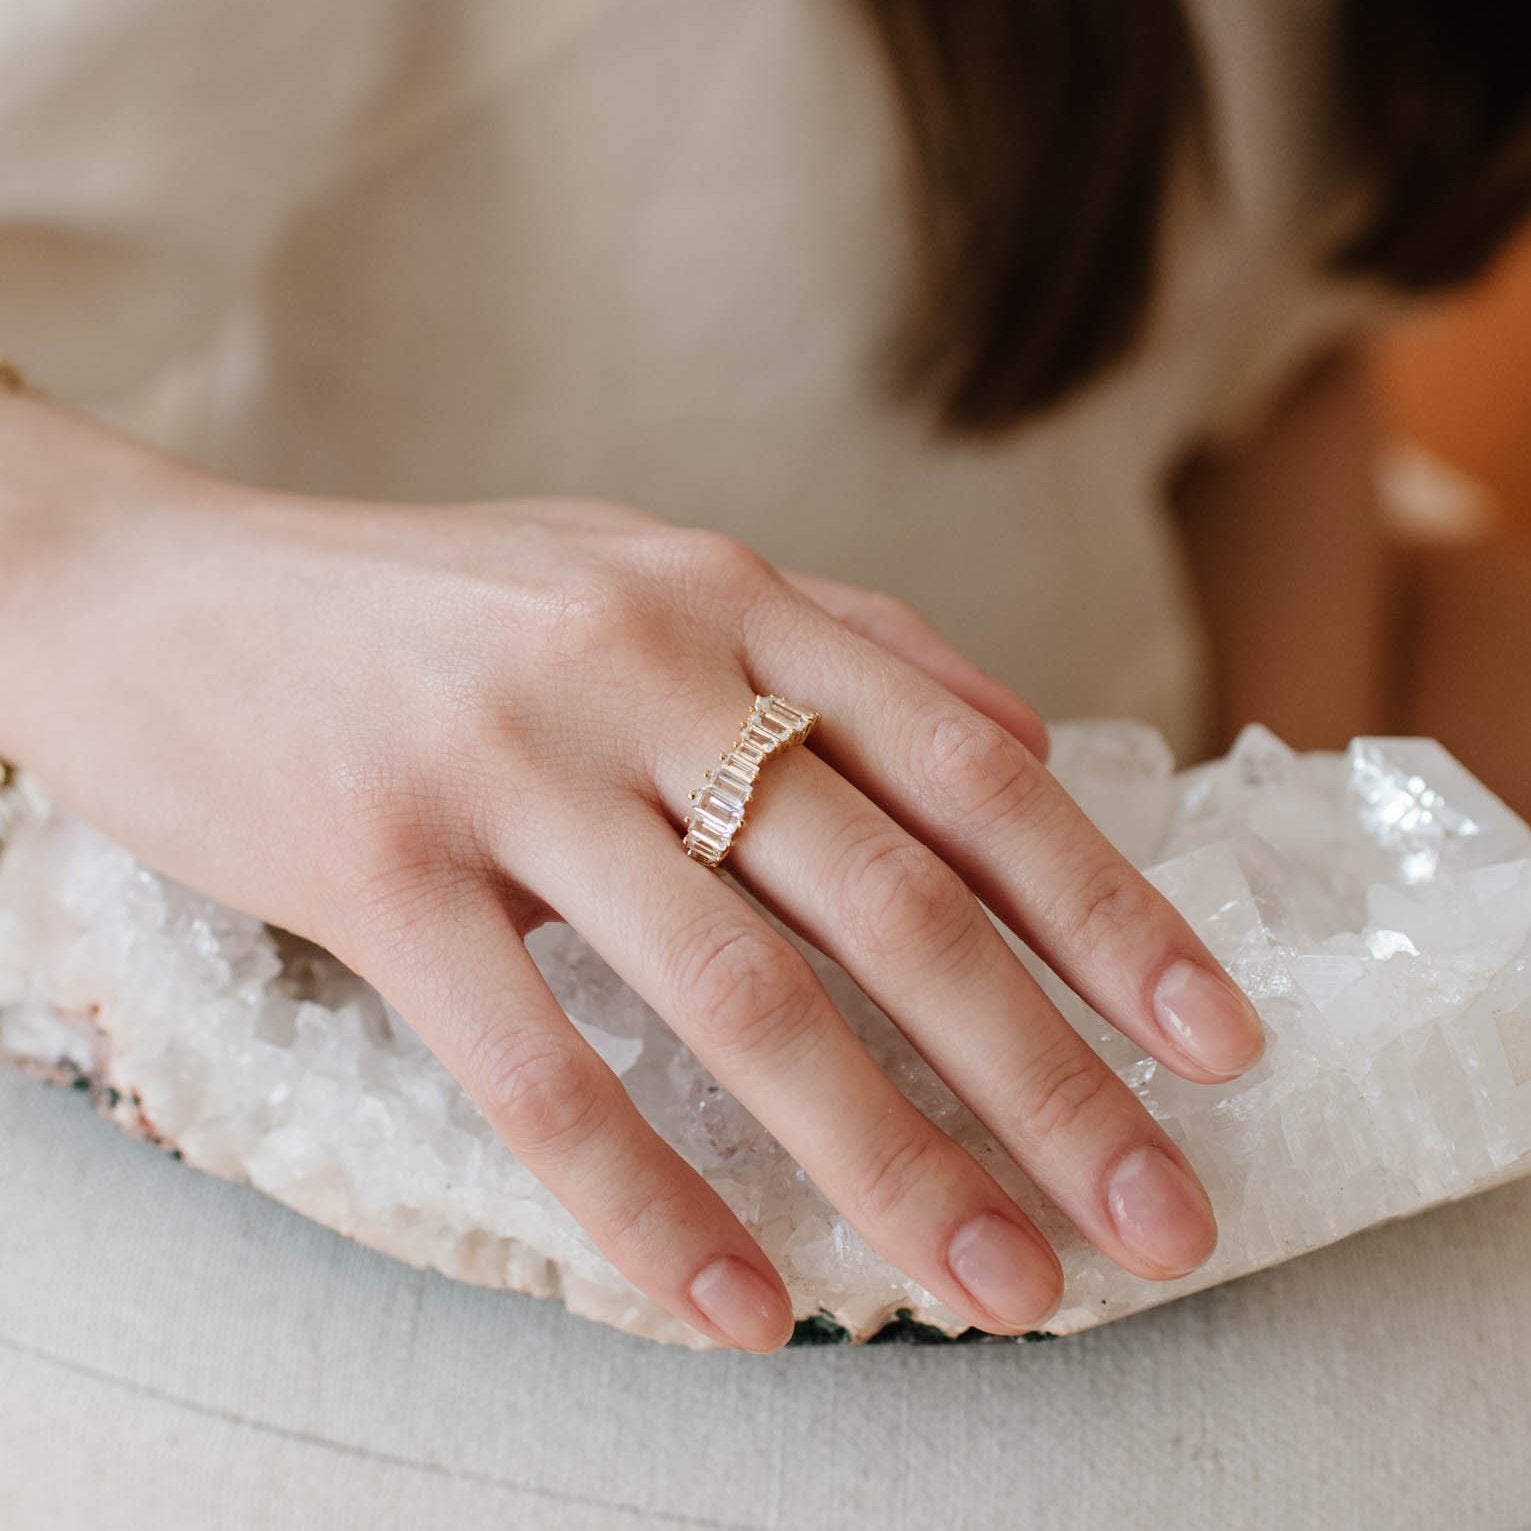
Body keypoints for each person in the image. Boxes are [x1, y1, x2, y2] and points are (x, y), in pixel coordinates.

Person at [1, 0, 1527, 1375]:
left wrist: (1296, 1053)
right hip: (350, 1172)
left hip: (1028, 1193)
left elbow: (1266, 366)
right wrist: (96, 557)